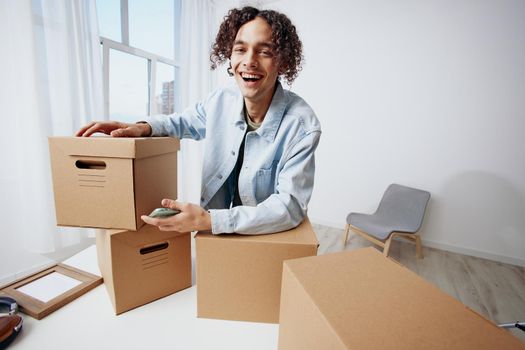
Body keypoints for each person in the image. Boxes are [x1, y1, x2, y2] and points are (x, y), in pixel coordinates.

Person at [76, 6, 321, 235]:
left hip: (263, 234)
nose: (249, 61)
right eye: (240, 49)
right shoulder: (221, 99)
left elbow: (289, 207)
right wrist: (142, 127)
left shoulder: (302, 125)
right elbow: (181, 122)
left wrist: (210, 221)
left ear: (284, 61)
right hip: (217, 236)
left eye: (265, 51)